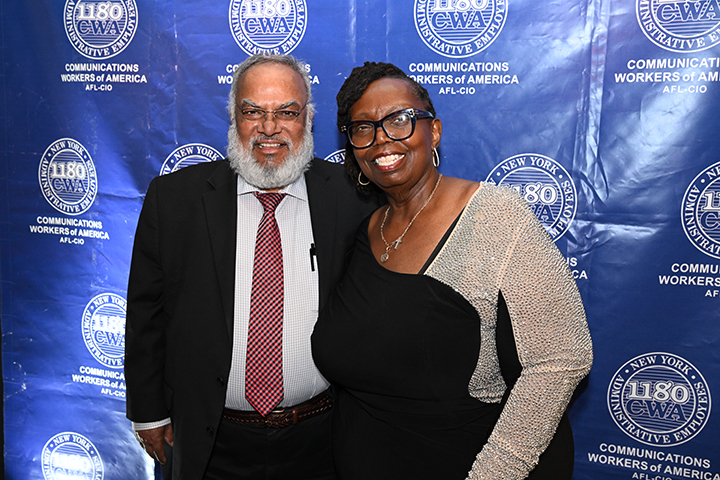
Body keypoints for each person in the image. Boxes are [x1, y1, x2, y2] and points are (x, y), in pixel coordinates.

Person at [311, 61, 593, 480]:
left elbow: (562, 358)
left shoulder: (496, 216)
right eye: (363, 127)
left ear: (435, 131)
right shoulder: (364, 230)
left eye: (400, 120)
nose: (382, 138)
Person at [125, 54, 378, 480]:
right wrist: (148, 411)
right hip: (210, 440)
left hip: (322, 439)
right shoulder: (174, 199)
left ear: (308, 119)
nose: (269, 127)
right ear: (233, 117)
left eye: (287, 113)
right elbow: (146, 312)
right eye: (253, 112)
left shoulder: (353, 198)